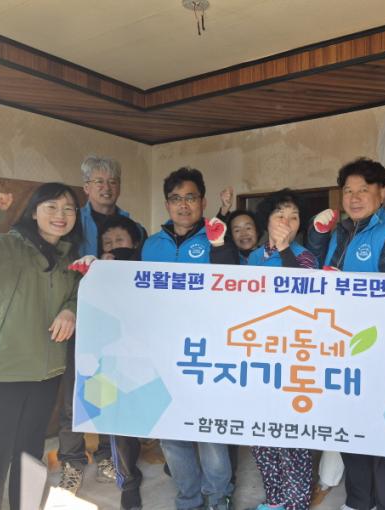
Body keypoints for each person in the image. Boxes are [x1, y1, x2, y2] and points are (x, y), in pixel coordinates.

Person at [0, 184, 81, 510]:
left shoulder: (69, 258)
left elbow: (79, 294)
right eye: (51, 207)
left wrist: (71, 310)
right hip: (1, 371)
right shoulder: (4, 246)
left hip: (46, 372)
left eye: (68, 208)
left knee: (31, 455)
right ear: (34, 212)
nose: (61, 215)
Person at [307, 157, 385, 510]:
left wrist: (344, 289)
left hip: (379, 351)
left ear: (382, 193)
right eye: (348, 191)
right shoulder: (341, 232)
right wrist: (317, 236)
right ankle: (358, 501)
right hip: (341, 348)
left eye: (363, 190)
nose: (354, 198)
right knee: (350, 430)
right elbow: (311, 272)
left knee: (383, 436)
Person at [142, 167, 238, 510]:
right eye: (176, 199)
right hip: (163, 352)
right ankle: (188, 499)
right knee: (171, 434)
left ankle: (217, 498)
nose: (183, 205)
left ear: (203, 202)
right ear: (167, 204)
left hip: (208, 352)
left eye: (190, 197)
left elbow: (235, 287)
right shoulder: (151, 244)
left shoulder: (216, 239)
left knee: (210, 433)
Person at [58, 155, 146, 494]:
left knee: (109, 390)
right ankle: (71, 461)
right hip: (78, 318)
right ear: (86, 187)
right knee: (74, 394)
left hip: (117, 323)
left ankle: (109, 455)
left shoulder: (133, 226)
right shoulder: (71, 221)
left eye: (112, 182)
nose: (106, 188)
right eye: (99, 181)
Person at [248, 189, 318, 510]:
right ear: (267, 221)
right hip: (259, 352)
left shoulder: (306, 256)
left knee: (292, 433)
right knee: (261, 431)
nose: (286, 222)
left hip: (294, 354)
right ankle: (275, 499)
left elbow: (306, 292)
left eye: (293, 217)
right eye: (280, 215)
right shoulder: (254, 257)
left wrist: (285, 249)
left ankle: (297, 502)